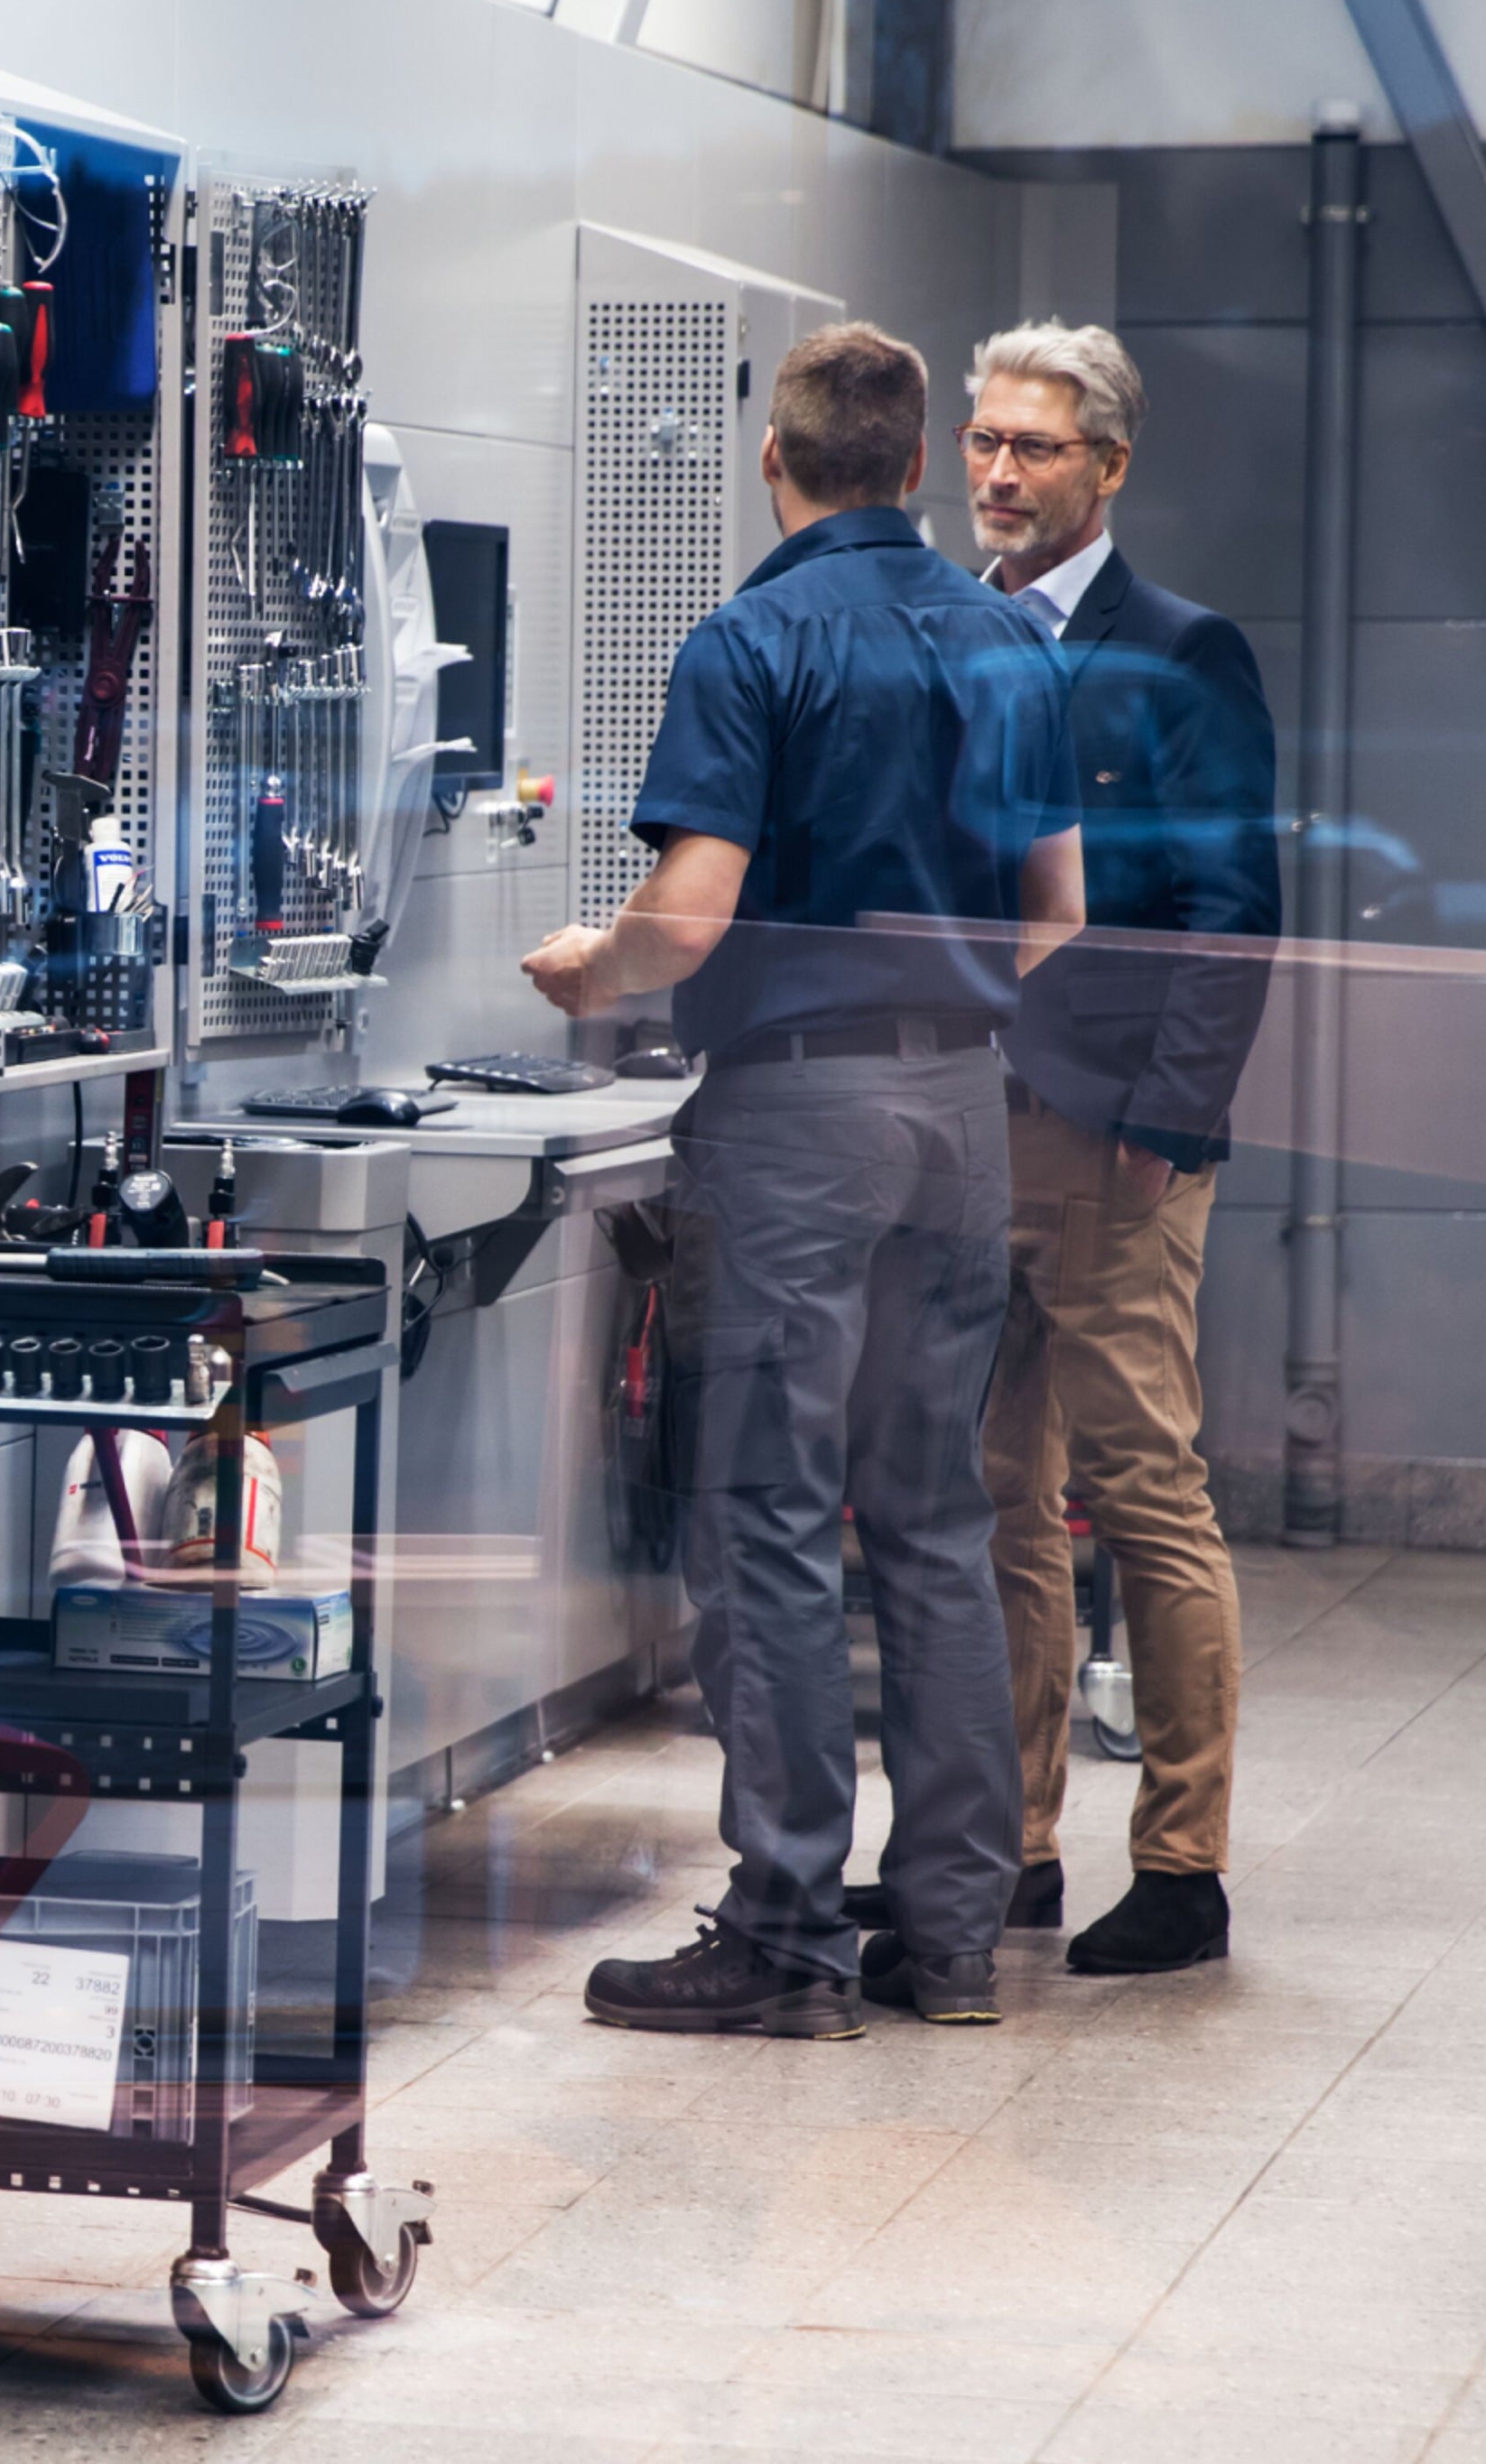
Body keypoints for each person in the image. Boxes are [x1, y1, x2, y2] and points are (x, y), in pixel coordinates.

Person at [524, 322, 1084, 2036]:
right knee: (933, 1521)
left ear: (776, 462)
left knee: (768, 1520)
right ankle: (952, 1938)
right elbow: (1055, 916)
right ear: (918, 466)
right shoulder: (1011, 637)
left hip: (798, 1125)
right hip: (962, 1118)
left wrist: (589, 968)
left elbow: (689, 915)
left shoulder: (752, 639)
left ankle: (783, 1938)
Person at [842, 320, 1278, 1975]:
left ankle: (1181, 1864)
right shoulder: (941, 633)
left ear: (1108, 465)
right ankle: (1007, 1843)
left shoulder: (1184, 652)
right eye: (983, 444)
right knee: (984, 1496)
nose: (1002, 474)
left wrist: (1169, 1124)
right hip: (957, 1127)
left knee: (1144, 1493)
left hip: (1114, 1143)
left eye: (1036, 448)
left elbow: (1236, 910)